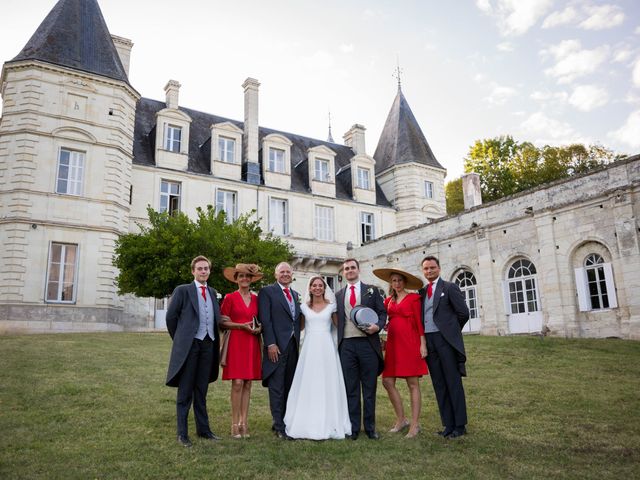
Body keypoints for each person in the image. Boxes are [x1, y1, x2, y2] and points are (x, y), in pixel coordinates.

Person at [284, 277, 351, 440]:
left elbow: (339, 326)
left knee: (328, 381)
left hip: (327, 347)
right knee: (309, 381)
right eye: (314, 285)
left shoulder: (331, 306)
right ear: (310, 288)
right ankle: (306, 420)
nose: (317, 288)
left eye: (320, 285)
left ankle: (331, 420)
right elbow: (299, 327)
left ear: (324, 288)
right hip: (310, 348)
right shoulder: (303, 308)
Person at [165, 255, 221, 447]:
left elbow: (216, 318)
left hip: (208, 345)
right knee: (185, 390)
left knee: (201, 390)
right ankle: (182, 434)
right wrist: (182, 340)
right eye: (200, 268)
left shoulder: (213, 292)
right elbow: (171, 318)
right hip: (190, 346)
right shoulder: (183, 290)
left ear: (209, 271)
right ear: (193, 271)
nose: (203, 271)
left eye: (206, 268)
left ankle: (203, 430)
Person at [373, 268, 427, 439]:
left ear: (405, 282)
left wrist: (423, 344)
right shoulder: (388, 301)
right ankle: (401, 419)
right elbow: (382, 320)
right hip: (393, 345)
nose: (396, 283)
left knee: (412, 383)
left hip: (411, 343)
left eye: (399, 281)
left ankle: (415, 424)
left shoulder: (413, 298)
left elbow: (419, 322)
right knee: (387, 381)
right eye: (394, 281)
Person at [335, 258, 387, 440]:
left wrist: (377, 327)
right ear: (343, 272)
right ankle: (354, 428)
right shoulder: (338, 295)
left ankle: (371, 428)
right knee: (351, 388)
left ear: (358, 270)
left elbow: (382, 313)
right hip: (347, 345)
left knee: (369, 387)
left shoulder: (371, 291)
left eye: (352, 268)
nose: (349, 270)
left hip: (368, 344)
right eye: (346, 268)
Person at [419, 256, 470, 439]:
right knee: (439, 383)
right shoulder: (422, 292)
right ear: (423, 271)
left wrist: (451, 331)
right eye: (426, 268)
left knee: (453, 382)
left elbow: (463, 313)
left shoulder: (449, 288)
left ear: (439, 269)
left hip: (445, 341)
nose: (429, 271)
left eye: (432, 267)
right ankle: (447, 424)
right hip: (430, 342)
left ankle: (460, 425)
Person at [220, 263, 263, 439]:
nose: (244, 279)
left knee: (248, 383)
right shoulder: (229, 298)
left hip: (251, 341)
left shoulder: (256, 299)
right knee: (237, 382)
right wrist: (240, 326)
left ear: (251, 279)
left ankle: (244, 423)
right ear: (236, 279)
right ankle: (234, 423)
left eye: (247, 276)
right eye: (241, 276)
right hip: (236, 341)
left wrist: (258, 329)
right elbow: (222, 322)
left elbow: (259, 320)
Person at [259, 262, 302, 439]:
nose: (285, 274)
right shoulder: (267, 292)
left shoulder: (296, 294)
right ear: (276, 275)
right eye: (282, 272)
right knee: (277, 387)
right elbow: (266, 319)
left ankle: (284, 420)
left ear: (292, 275)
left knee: (289, 385)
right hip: (276, 346)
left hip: (293, 346)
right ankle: (279, 427)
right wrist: (270, 343)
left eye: (288, 272)